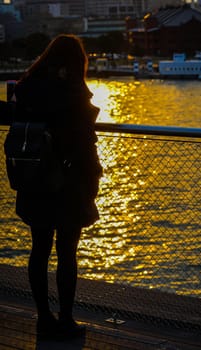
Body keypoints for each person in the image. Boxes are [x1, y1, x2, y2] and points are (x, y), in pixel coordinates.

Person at [12, 34, 102, 338]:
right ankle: (66, 319)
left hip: (34, 180)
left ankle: (43, 316)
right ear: (78, 61)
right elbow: (85, 143)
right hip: (68, 184)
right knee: (67, 253)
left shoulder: (28, 87)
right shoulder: (74, 92)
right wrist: (94, 179)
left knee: (39, 250)